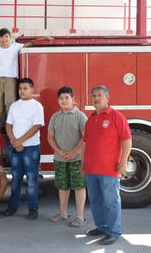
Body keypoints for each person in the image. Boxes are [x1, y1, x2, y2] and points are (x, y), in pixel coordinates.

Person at [81, 85, 132, 245]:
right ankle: (101, 227)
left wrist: (123, 162)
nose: (96, 99)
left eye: (99, 96)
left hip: (110, 169)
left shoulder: (116, 117)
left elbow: (127, 140)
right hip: (92, 169)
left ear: (107, 98)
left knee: (111, 201)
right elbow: (85, 142)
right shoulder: (90, 119)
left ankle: (113, 231)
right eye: (94, 96)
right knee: (95, 200)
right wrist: (83, 163)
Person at [0, 28, 53, 128]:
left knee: (9, 102)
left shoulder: (15, 46)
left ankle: (9, 125)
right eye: (2, 37)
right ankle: (3, 125)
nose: (4, 39)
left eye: (6, 36)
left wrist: (44, 37)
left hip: (11, 79)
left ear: (10, 37)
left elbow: (31, 43)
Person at [4, 78, 44, 220]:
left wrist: (19, 141)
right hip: (15, 148)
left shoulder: (37, 106)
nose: (22, 91)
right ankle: (13, 206)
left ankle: (33, 208)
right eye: (20, 88)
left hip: (31, 148)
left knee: (32, 180)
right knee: (16, 178)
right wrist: (14, 142)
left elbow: (36, 126)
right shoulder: (14, 106)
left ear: (32, 90)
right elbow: (8, 125)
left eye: (25, 88)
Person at [47, 86, 87, 227]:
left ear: (72, 99)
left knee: (79, 186)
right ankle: (63, 213)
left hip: (77, 159)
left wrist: (74, 152)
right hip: (60, 158)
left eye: (67, 98)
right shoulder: (55, 117)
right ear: (58, 100)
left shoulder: (80, 116)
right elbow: (50, 137)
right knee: (62, 186)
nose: (64, 101)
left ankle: (80, 217)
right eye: (61, 98)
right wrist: (59, 151)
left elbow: (85, 137)